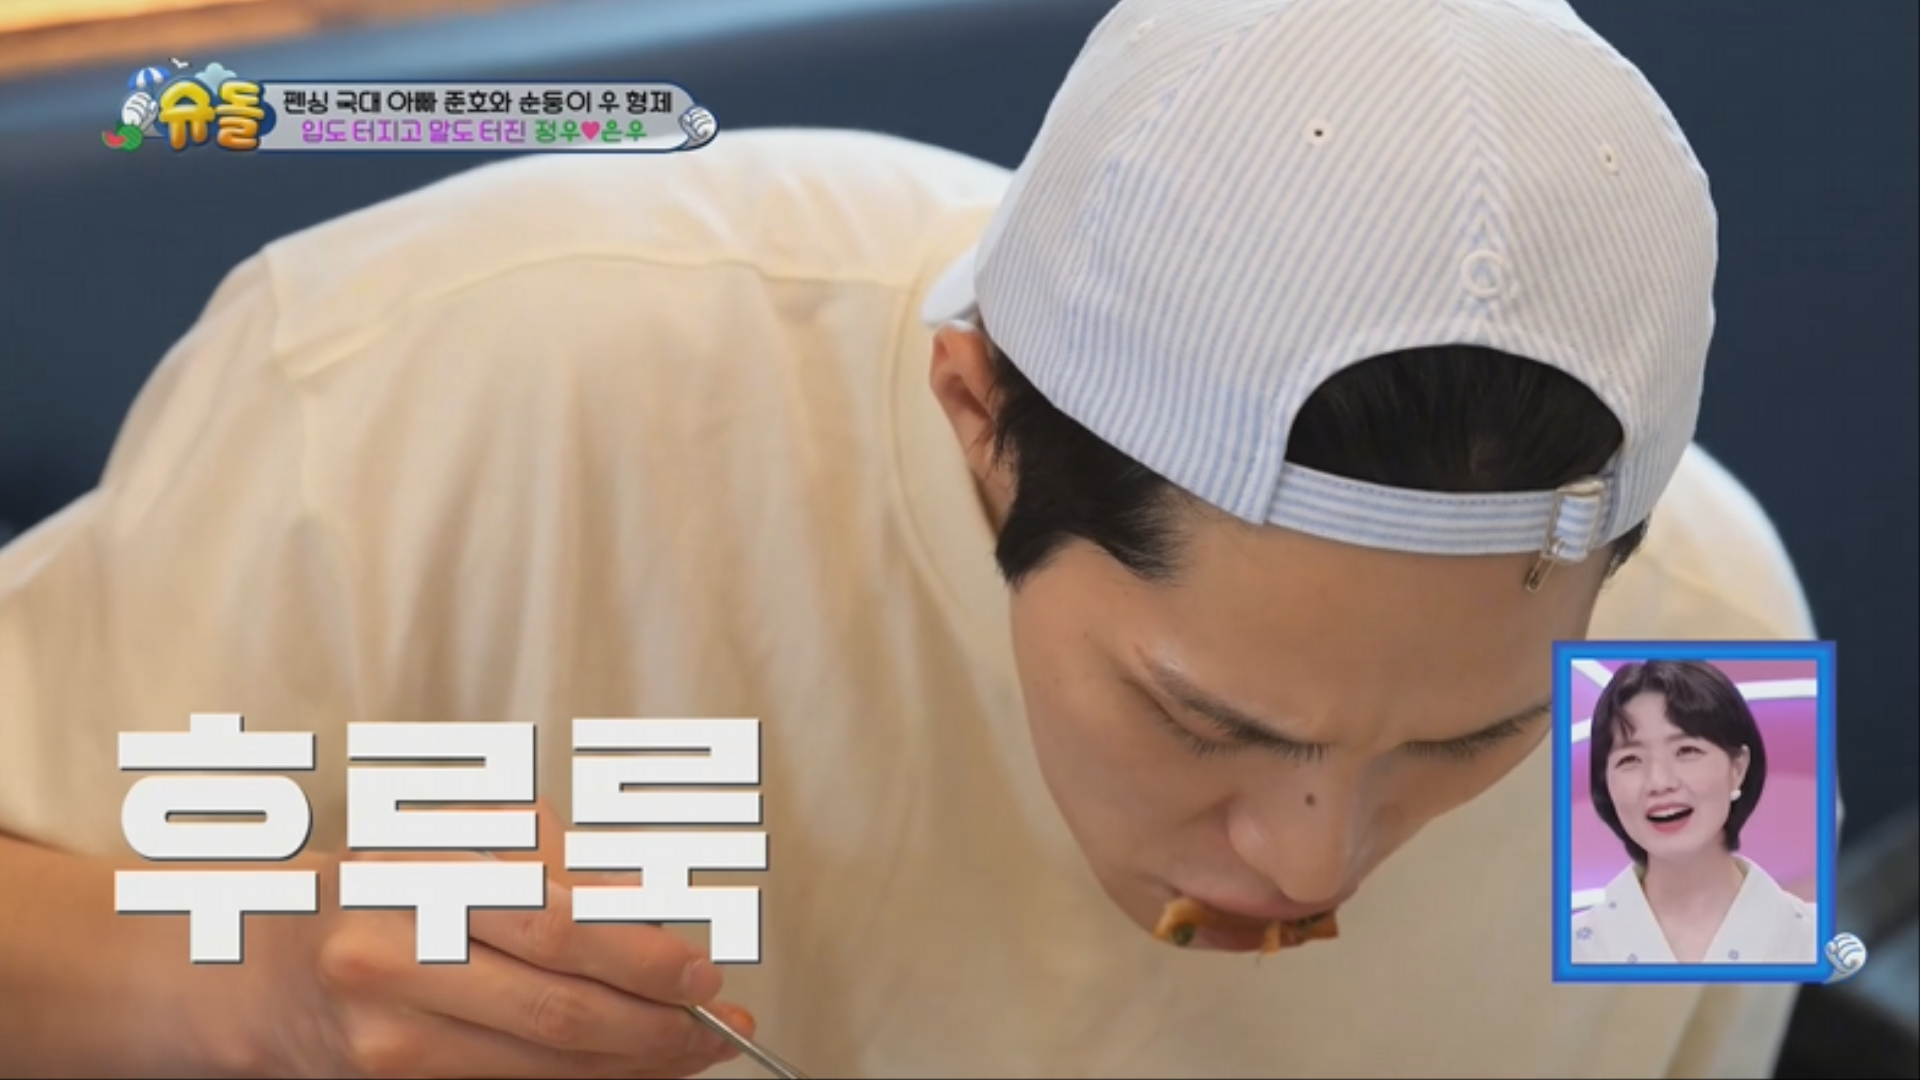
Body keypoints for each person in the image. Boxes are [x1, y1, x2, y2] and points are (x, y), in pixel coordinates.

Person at [0, 0, 1821, 1077]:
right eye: (1202, 719)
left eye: (1467, 745)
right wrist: (257, 990)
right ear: (979, 414)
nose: (1310, 860)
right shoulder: (465, 383)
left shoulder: (1709, 665)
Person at [1572, 661, 1818, 966]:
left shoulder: (1815, 939)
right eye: (1630, 759)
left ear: (1737, 768)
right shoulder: (1571, 947)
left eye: (1686, 751)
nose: (1659, 782)